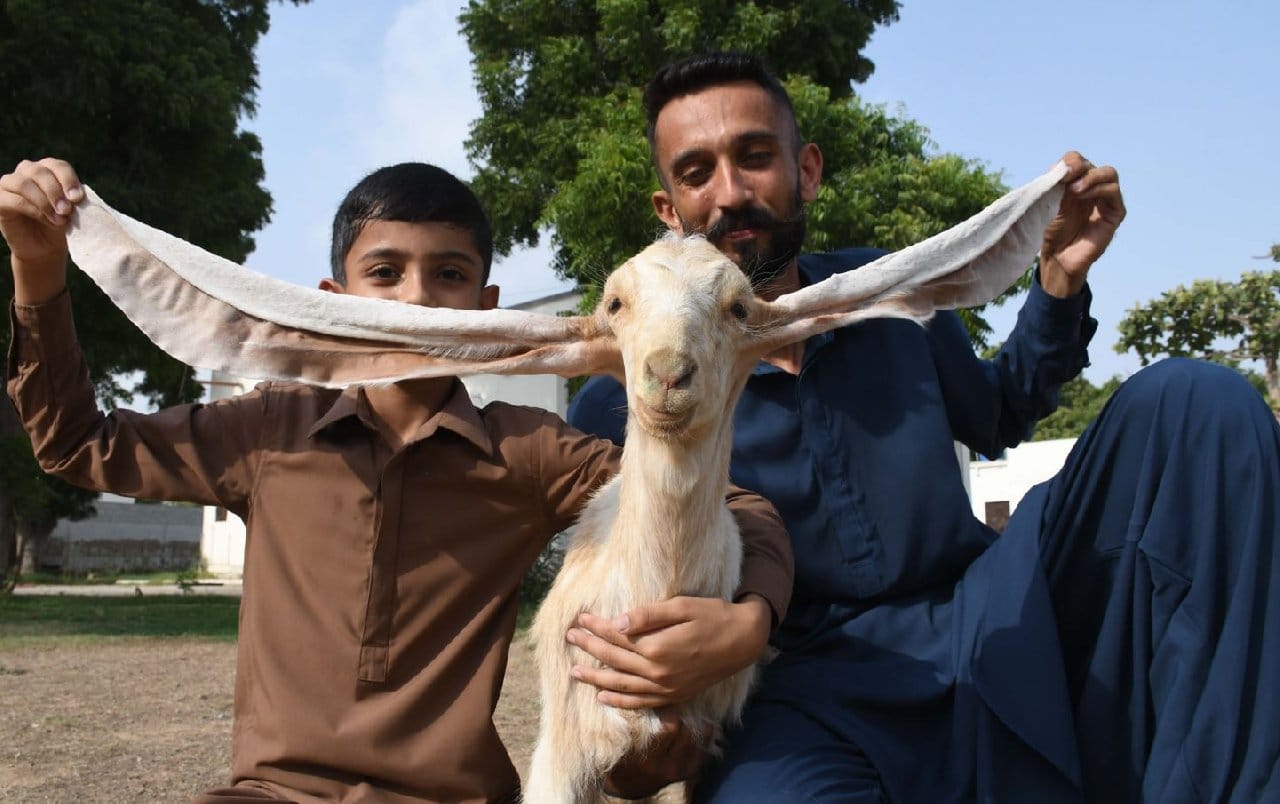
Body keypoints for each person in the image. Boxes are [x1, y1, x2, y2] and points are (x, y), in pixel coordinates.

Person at [568, 53, 1280, 802]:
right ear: (668, 210)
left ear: (805, 170)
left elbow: (997, 413)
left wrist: (1060, 284)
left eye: (754, 157)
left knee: (1198, 407)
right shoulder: (622, 399)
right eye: (696, 173)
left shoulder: (889, 296)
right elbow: (615, 615)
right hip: (793, 694)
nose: (732, 195)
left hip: (986, 616)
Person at [0, 157, 794, 803]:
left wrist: (750, 619)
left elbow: (738, 507)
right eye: (385, 273)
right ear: (334, 304)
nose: (417, 299)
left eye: (448, 275)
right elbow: (80, 445)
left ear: (486, 308)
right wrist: (39, 270)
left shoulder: (524, 452)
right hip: (276, 795)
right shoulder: (268, 430)